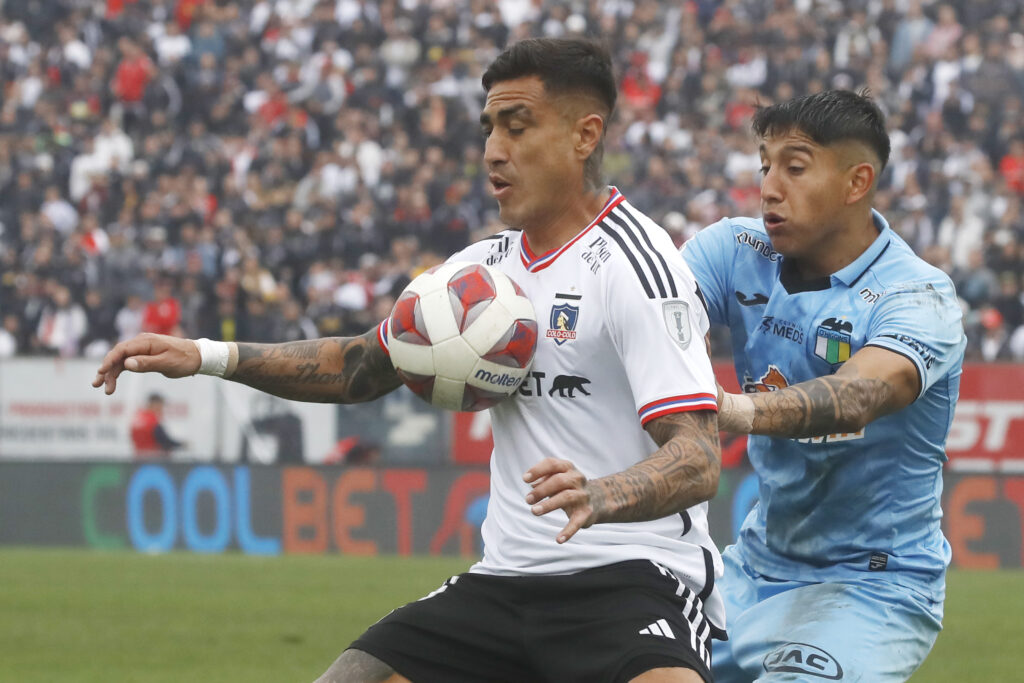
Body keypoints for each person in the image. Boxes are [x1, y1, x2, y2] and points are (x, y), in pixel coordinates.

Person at [93, 38, 724, 683]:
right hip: (505, 585)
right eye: (488, 129)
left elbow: (699, 457)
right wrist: (206, 355)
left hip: (630, 580)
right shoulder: (478, 275)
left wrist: (601, 492)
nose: (492, 151)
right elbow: (360, 365)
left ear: (585, 135)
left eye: (517, 125)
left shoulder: (640, 266)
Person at [681, 90, 967, 682]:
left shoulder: (917, 296)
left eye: (795, 166)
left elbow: (860, 393)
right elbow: (643, 314)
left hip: (873, 586)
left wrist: (729, 409)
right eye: (764, 165)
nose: (768, 186)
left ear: (856, 181)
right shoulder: (736, 250)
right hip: (751, 573)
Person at [130, 393, 186, 458]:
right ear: (155, 405)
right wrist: (182, 445)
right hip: (155, 459)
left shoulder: (138, 417)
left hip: (138, 457)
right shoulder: (152, 420)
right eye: (161, 405)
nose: (162, 409)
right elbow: (165, 441)